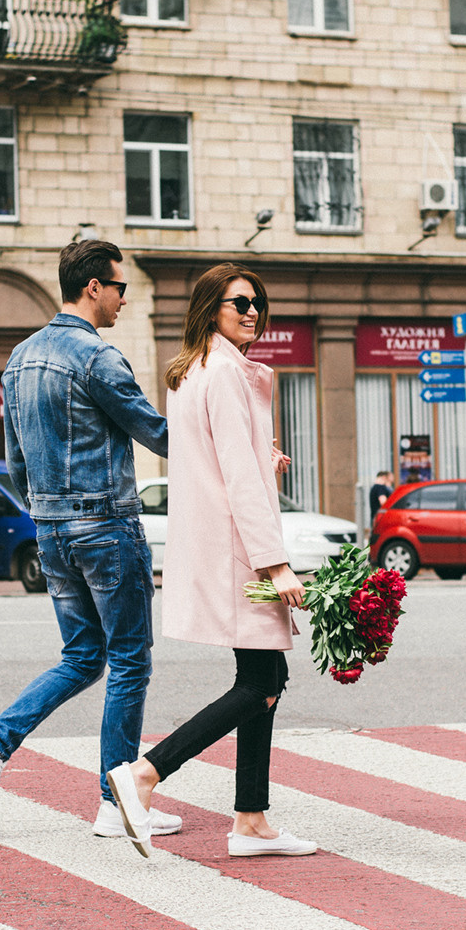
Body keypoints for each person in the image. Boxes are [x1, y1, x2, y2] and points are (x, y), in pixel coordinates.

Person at [0, 237, 180, 843]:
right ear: (94, 287)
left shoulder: (19, 359)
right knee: (129, 659)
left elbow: (16, 463)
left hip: (51, 529)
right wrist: (234, 452)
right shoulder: (98, 358)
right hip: (107, 526)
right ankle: (115, 801)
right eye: (120, 287)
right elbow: (157, 434)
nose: (125, 300)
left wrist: (49, 516)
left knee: (83, 657)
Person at [105, 264, 316, 859]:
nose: (253, 311)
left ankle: (251, 821)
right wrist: (275, 565)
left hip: (220, 543)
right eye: (239, 302)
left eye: (258, 302)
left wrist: (259, 458)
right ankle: (145, 774)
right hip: (239, 553)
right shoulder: (225, 373)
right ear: (210, 308)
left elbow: (214, 461)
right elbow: (237, 476)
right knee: (262, 680)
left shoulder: (191, 371)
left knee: (263, 679)